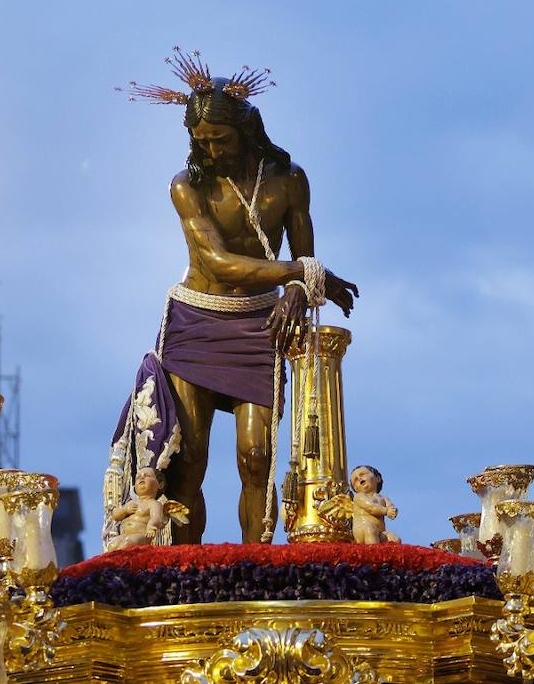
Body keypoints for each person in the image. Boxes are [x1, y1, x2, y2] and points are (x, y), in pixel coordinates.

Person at [107, 50, 358, 545]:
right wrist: (302, 274)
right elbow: (220, 262)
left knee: (256, 457)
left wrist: (297, 287)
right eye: (201, 141)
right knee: (189, 461)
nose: (212, 150)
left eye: (220, 139)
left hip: (258, 326)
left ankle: (255, 566)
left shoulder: (288, 180)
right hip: (198, 321)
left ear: (245, 132)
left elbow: (304, 258)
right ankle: (185, 576)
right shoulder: (187, 186)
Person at [348, 465, 400, 545]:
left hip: (380, 532)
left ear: (377, 478)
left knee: (394, 538)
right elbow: (371, 507)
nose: (359, 479)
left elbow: (390, 506)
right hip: (362, 528)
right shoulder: (359, 497)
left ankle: (391, 557)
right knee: (370, 529)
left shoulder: (384, 498)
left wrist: (392, 510)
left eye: (362, 474)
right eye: (355, 480)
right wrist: (386, 511)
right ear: (355, 489)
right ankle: (372, 554)